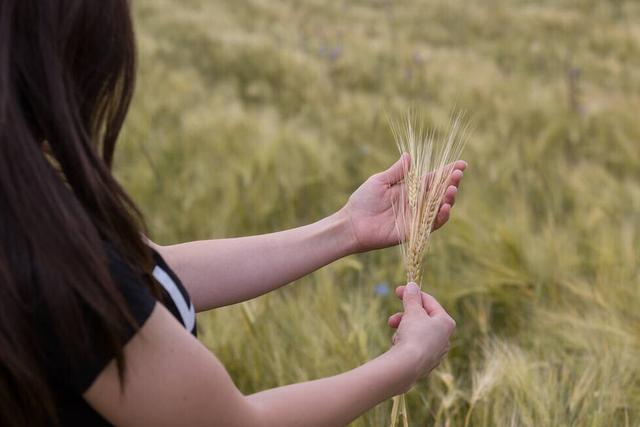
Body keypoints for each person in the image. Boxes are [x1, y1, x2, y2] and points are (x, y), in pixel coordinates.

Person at [0, 1, 467, 426]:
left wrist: (346, 228)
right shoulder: (44, 263)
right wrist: (405, 364)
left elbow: (147, 274)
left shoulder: (24, 205)